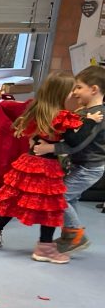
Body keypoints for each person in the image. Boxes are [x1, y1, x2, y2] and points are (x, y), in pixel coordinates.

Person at [0, 71, 101, 264]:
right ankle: (45, 248)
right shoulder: (61, 116)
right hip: (46, 167)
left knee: (15, 200)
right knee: (50, 207)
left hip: (27, 162)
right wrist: (90, 121)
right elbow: (74, 140)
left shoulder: (37, 110)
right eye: (72, 91)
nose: (75, 94)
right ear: (62, 94)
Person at [33, 65, 105, 254]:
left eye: (79, 87)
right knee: (70, 199)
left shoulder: (98, 115)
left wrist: (51, 148)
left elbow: (77, 143)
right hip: (80, 166)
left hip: (89, 168)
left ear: (94, 89)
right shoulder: (86, 111)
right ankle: (69, 235)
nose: (74, 92)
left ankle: (76, 235)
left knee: (59, 197)